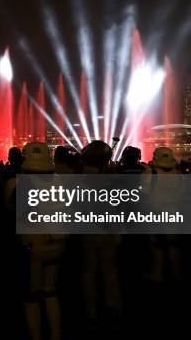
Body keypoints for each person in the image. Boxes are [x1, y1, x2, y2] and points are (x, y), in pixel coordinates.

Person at [7, 142, 65, 340]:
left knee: (31, 296)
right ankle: (56, 334)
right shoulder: (62, 181)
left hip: (34, 245)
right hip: (59, 243)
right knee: (50, 292)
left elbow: (9, 209)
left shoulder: (17, 183)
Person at [79, 141, 122, 329]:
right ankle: (114, 308)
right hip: (108, 232)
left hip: (87, 232)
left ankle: (91, 312)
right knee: (110, 271)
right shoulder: (112, 181)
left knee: (88, 272)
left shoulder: (79, 181)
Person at [143, 147, 184, 281]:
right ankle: (176, 272)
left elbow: (144, 193)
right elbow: (183, 192)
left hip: (156, 213)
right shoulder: (179, 174)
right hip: (174, 212)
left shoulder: (151, 174)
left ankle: (157, 273)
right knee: (174, 244)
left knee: (157, 245)